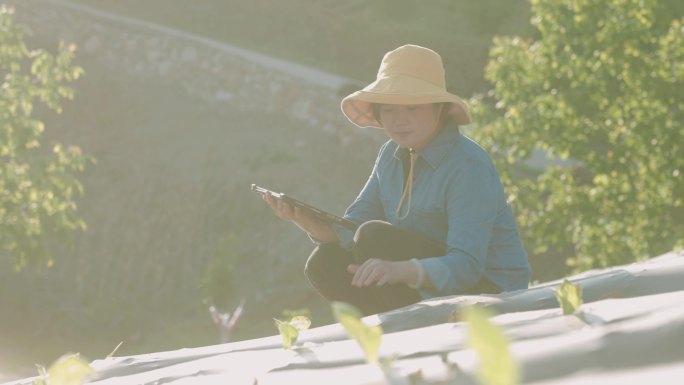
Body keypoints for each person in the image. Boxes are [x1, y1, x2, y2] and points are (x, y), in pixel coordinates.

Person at [264, 44, 531, 315]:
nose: (399, 121)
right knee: (325, 262)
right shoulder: (390, 155)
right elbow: (353, 227)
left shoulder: (468, 165)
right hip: (425, 283)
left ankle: (410, 327)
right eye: (389, 110)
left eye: (412, 109)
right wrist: (303, 219)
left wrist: (398, 271)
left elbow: (466, 266)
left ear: (438, 108)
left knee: (375, 238)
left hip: (490, 290)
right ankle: (391, 333)